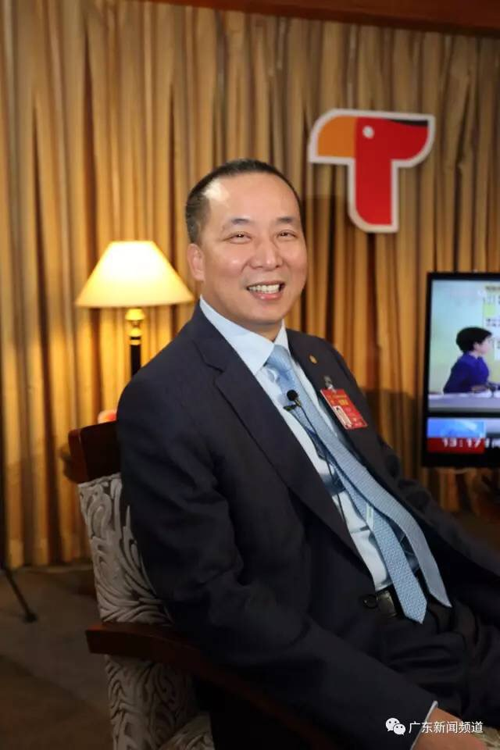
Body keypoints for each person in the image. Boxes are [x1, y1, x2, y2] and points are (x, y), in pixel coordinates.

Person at [117, 159, 500, 750]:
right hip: (346, 670)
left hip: (444, 619)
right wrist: (414, 722)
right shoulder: (164, 399)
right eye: (240, 236)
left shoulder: (320, 357)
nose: (269, 257)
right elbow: (215, 602)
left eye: (286, 232)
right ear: (196, 259)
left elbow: (397, 494)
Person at [443, 328, 495, 393]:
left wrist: (493, 386)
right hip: (467, 398)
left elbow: (482, 382)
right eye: (488, 341)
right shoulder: (463, 363)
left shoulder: (479, 360)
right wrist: (477, 388)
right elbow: (449, 389)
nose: (491, 344)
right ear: (476, 345)